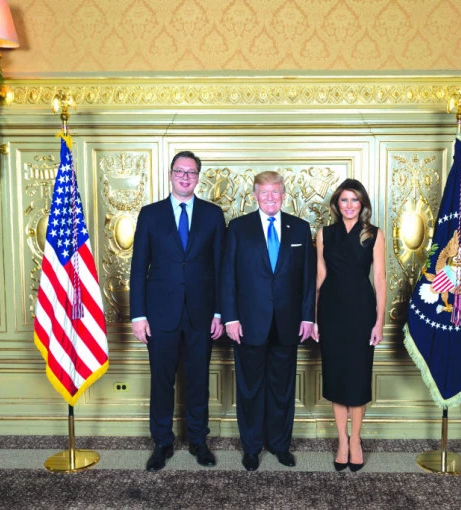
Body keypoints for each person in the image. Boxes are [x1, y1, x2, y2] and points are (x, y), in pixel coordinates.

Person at [129, 151, 226, 472]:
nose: (185, 177)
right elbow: (138, 268)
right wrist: (138, 315)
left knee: (198, 380)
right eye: (180, 171)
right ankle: (162, 442)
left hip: (202, 314)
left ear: (198, 177)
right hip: (160, 315)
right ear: (170, 174)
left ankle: (198, 441)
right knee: (162, 381)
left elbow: (220, 268)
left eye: (192, 172)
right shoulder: (150, 214)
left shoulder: (213, 215)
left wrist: (219, 313)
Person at [221, 170, 316, 471]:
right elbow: (228, 276)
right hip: (248, 323)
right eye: (264, 192)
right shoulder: (238, 228)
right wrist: (230, 318)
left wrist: (308, 317)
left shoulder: (300, 228)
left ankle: (279, 445)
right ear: (255, 196)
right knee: (249, 388)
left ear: (284, 195)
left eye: (275, 192)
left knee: (282, 389)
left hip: (288, 323)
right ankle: (251, 447)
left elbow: (308, 278)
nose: (270, 198)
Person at [312, 178, 386, 472]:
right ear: (336, 204)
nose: (349, 205)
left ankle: (356, 440)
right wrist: (314, 318)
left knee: (356, 378)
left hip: (361, 313)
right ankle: (341, 440)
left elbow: (379, 280)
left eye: (355, 200)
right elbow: (319, 277)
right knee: (336, 377)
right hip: (330, 312)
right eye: (344, 200)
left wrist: (379, 322)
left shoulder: (373, 234)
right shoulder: (324, 234)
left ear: (362, 203)